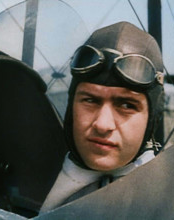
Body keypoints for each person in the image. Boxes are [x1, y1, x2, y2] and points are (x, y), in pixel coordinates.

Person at [40, 21, 164, 214]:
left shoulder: (173, 205)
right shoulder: (28, 179)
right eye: (90, 100)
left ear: (152, 118)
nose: (102, 124)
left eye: (126, 105)